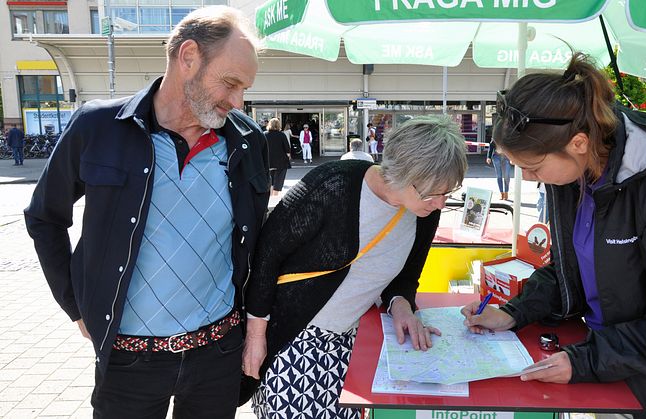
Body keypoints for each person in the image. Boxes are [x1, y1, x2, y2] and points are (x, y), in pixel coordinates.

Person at [461, 53, 646, 419]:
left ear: (578, 142)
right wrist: (515, 312)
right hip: (606, 362)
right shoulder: (574, 176)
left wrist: (585, 361)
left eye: (532, 167)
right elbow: (569, 269)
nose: (527, 179)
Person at [24, 6, 270, 418]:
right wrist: (76, 306)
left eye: (244, 88)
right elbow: (44, 217)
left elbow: (257, 245)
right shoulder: (98, 127)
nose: (237, 100)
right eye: (231, 83)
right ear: (188, 57)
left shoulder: (248, 141)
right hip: (127, 362)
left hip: (216, 356)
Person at [242, 115, 467, 418]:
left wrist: (402, 305)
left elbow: (406, 276)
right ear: (402, 173)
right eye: (432, 193)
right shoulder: (332, 184)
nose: (440, 203)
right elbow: (266, 257)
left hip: (355, 341)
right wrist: (255, 338)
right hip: (296, 339)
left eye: (447, 194)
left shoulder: (425, 212)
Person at [265, 117, 291, 196]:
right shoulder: (281, 135)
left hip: (268, 161)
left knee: (270, 181)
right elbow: (287, 149)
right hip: (280, 162)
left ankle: (269, 198)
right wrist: (288, 156)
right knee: (278, 182)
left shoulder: (264, 134)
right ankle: (275, 198)